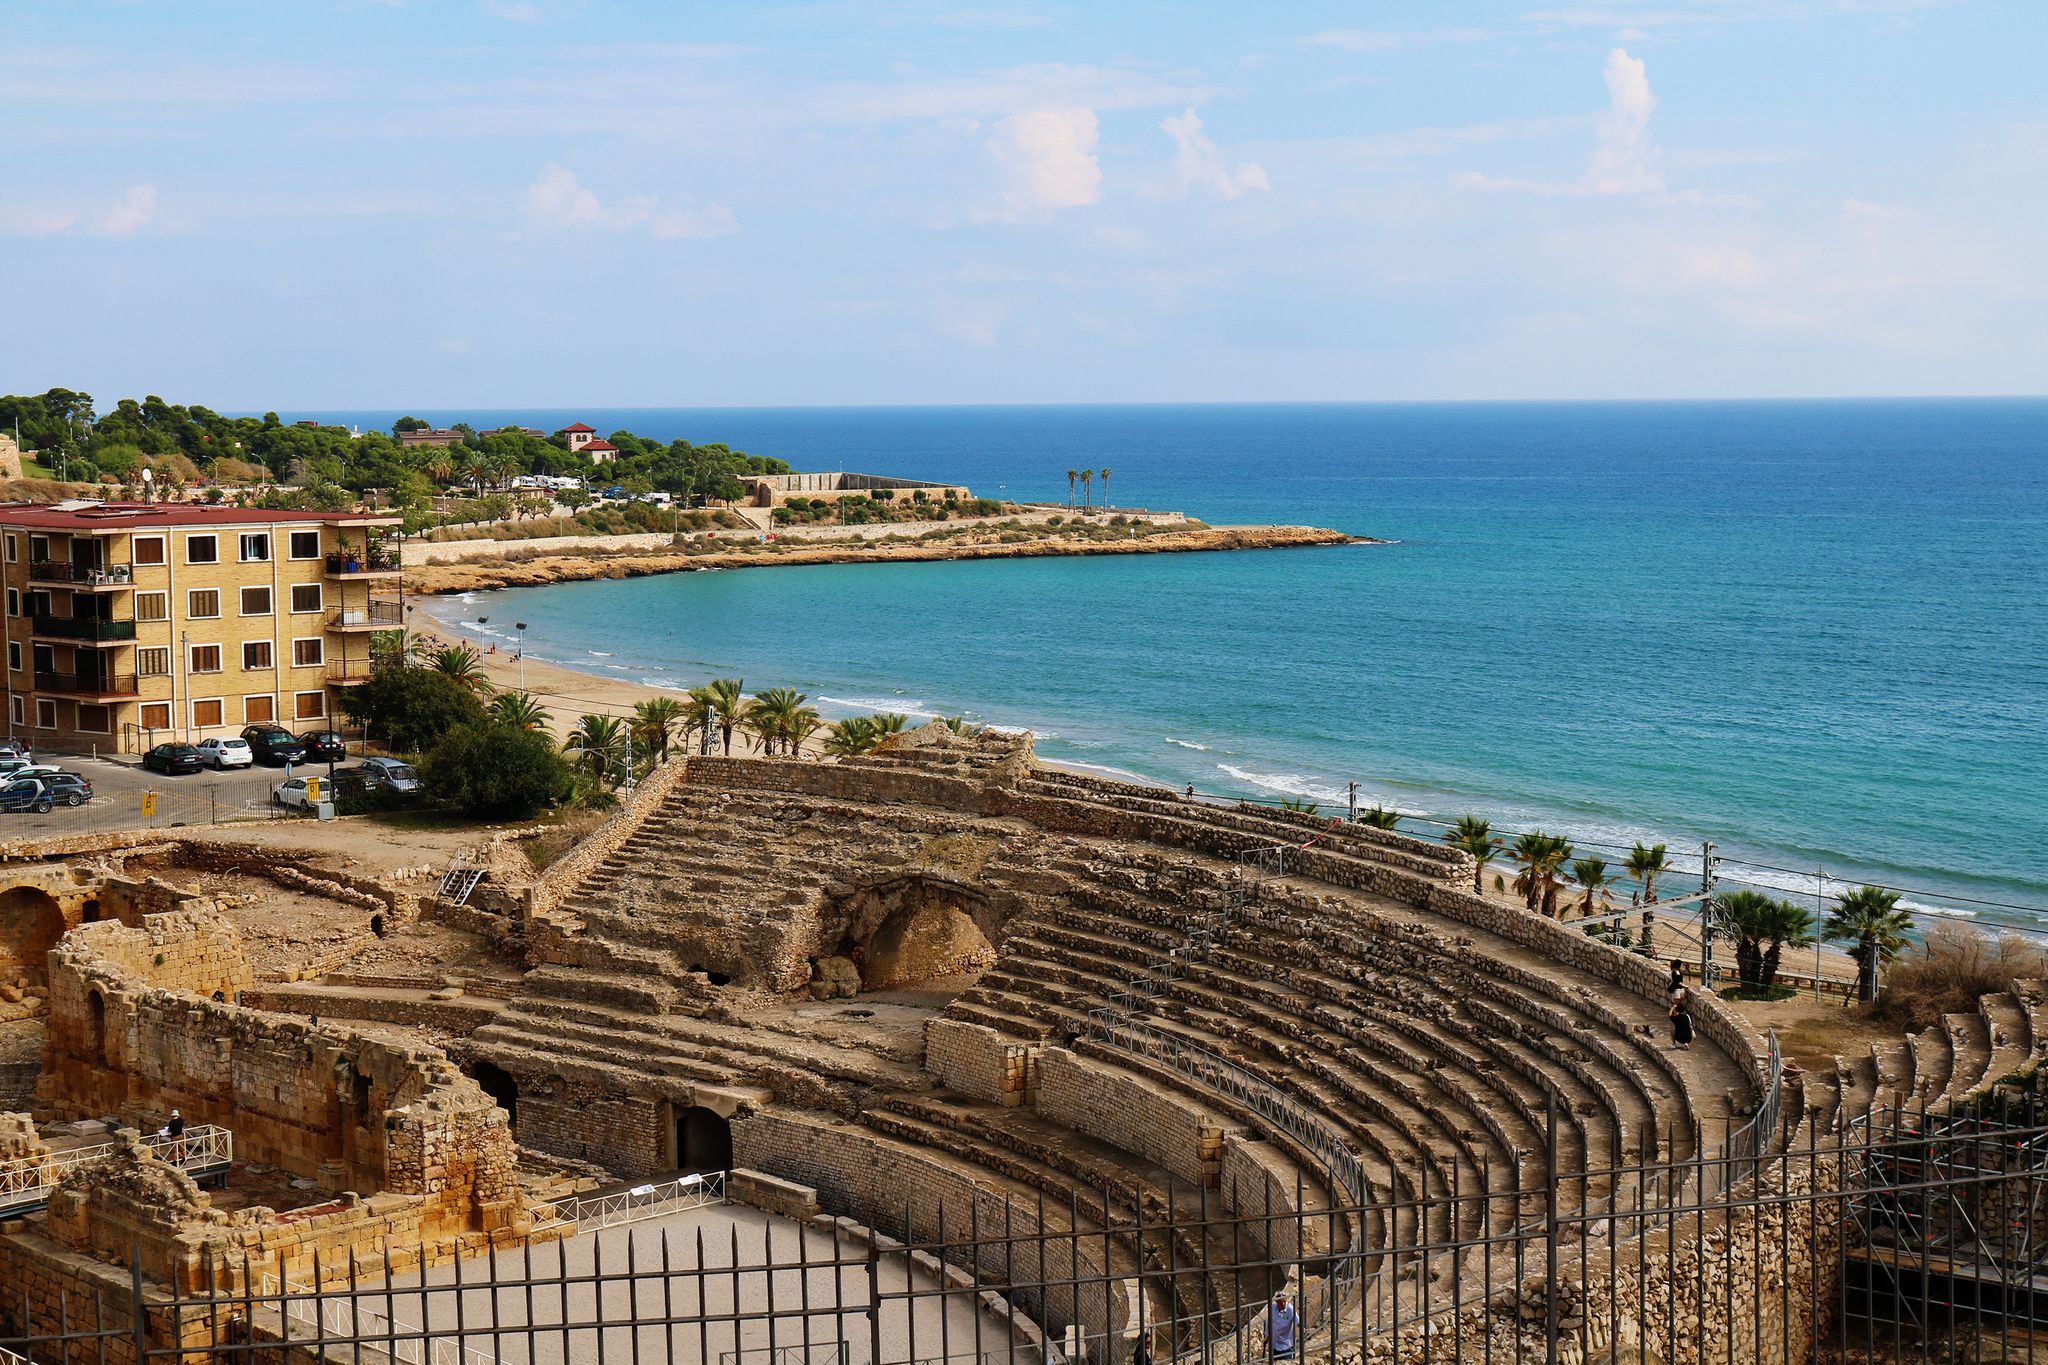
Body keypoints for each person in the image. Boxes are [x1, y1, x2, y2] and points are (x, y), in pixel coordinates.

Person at [1266, 1289, 1298, 1359]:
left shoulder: (1290, 1310)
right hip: (1274, 1345)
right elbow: (1268, 1322)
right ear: (1276, 1302)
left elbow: (1298, 1321)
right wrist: (1267, 1335)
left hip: (1286, 1346)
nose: (1283, 1304)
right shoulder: (1272, 1308)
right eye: (1280, 1302)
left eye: (1284, 1301)